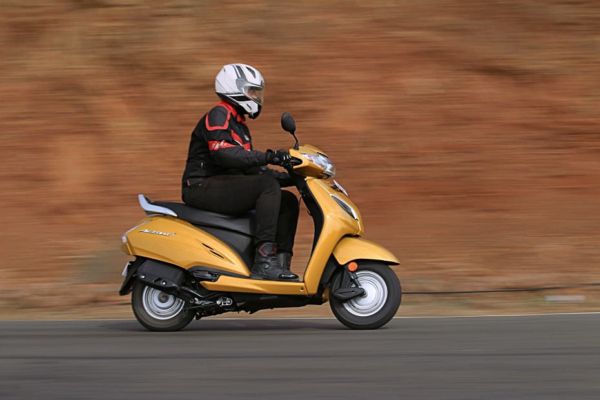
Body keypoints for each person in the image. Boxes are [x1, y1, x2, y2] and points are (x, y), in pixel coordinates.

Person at [181, 63, 299, 281]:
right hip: (200, 185)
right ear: (234, 89)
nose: (256, 97)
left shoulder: (240, 126)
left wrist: (293, 177)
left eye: (257, 92)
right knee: (266, 187)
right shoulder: (219, 114)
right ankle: (264, 262)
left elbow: (252, 168)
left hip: (223, 183)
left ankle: (281, 265)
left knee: (288, 201)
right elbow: (223, 153)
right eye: (252, 91)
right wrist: (269, 155)